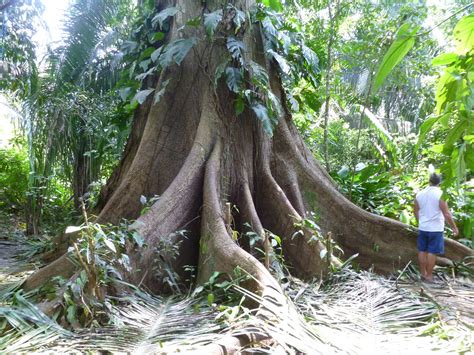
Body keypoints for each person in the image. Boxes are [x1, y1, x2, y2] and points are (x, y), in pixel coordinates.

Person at [414, 173, 458, 282]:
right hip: (435, 228)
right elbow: (446, 213)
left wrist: (420, 222)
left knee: (422, 250)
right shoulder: (440, 194)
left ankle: (422, 273)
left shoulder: (420, 194)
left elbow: (415, 210)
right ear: (440, 182)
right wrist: (454, 228)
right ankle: (429, 276)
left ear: (429, 181)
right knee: (432, 252)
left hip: (423, 227)